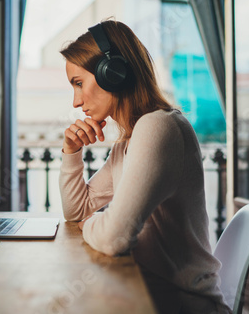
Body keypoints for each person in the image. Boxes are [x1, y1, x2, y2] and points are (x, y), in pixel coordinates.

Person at [58, 20, 231, 314]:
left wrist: (91, 225)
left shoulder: (159, 127)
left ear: (113, 73)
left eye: (78, 83)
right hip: (149, 295)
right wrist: (71, 152)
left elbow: (114, 238)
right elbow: (77, 210)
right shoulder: (129, 141)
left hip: (183, 304)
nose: (76, 102)